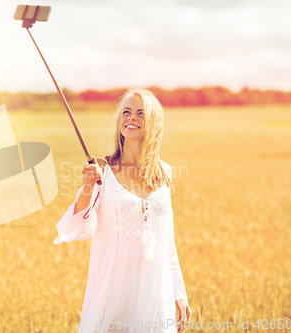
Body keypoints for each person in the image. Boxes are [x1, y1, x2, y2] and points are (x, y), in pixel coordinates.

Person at [53, 89, 192, 333]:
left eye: (140, 113)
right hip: (115, 295)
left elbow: (167, 241)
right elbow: (78, 225)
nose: (131, 118)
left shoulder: (165, 173)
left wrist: (178, 292)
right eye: (126, 112)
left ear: (153, 122)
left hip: (155, 295)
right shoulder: (104, 172)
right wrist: (87, 186)